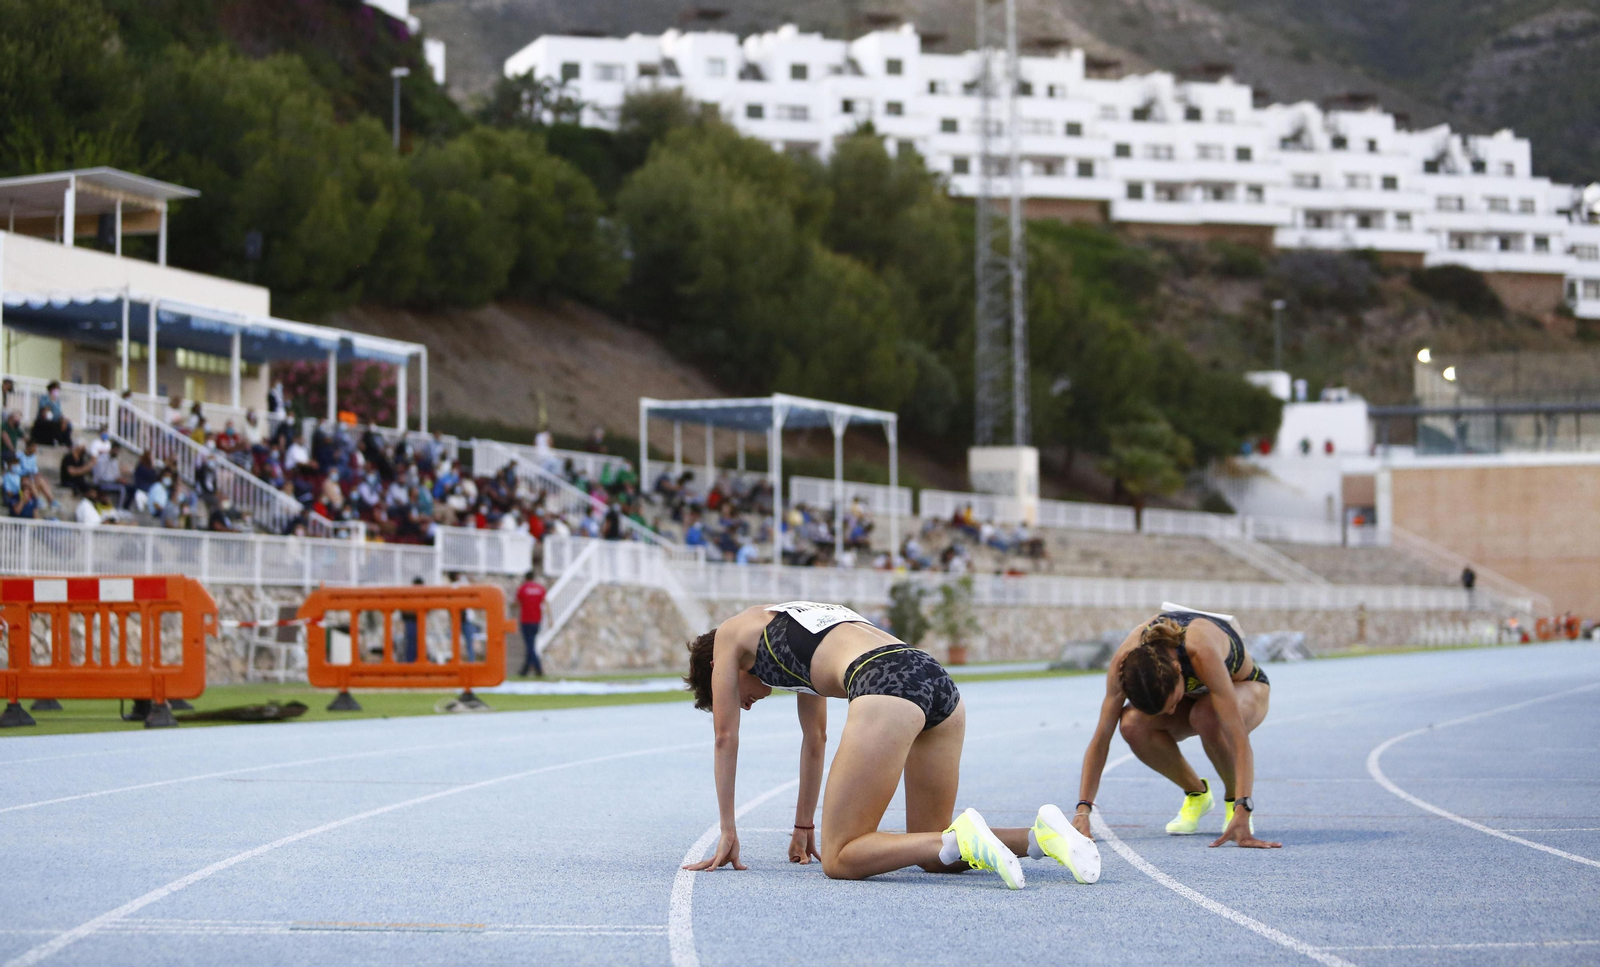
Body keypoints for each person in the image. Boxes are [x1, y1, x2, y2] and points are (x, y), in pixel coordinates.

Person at [681, 601, 1099, 887]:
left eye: (730, 695)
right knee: (934, 852)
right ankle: (1041, 838)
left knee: (840, 857)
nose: (743, 705)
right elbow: (815, 739)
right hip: (935, 678)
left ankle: (967, 836)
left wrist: (728, 829)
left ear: (717, 668)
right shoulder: (791, 625)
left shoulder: (732, 634)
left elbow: (724, 736)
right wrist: (804, 826)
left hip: (883, 680)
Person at [1072, 606, 1279, 849]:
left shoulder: (1201, 652)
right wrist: (1083, 810)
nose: (1171, 713)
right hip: (1194, 698)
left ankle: (1231, 800)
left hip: (1247, 687)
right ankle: (1197, 794)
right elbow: (1100, 740)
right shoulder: (1125, 665)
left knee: (1208, 716)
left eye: (1171, 704)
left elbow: (1239, 741)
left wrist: (1243, 808)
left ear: (1179, 670)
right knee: (1131, 724)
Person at [515, 571, 546, 677]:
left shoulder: (522, 588)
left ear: (526, 578)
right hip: (537, 620)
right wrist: (550, 619)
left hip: (526, 620)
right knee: (531, 645)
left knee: (530, 646)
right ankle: (525, 670)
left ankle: (538, 668)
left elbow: (517, 602)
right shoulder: (540, 589)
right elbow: (545, 603)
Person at [31, 382, 73, 446]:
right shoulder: (45, 397)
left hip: (57, 419)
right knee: (53, 425)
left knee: (68, 424)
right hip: (46, 419)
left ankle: (65, 441)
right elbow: (43, 409)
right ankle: (54, 440)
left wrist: (63, 420)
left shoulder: (57, 400)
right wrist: (51, 401)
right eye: (55, 389)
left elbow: (59, 412)